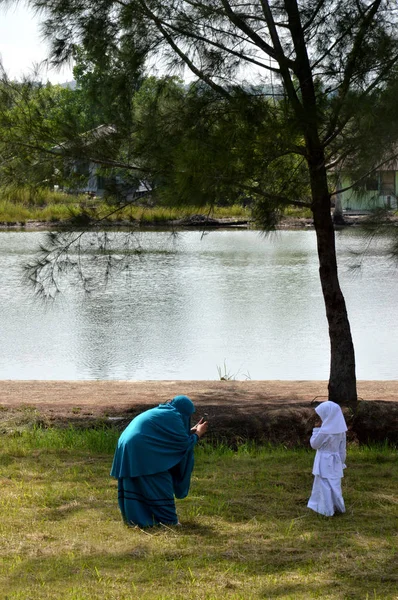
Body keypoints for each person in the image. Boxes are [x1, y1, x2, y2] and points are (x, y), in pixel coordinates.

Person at [110, 395, 208, 527]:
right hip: (141, 446)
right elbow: (183, 444)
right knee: (161, 480)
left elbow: (168, 435)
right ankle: (169, 520)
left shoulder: (164, 412)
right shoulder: (174, 417)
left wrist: (191, 431)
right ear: (185, 412)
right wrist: (197, 434)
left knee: (136, 480)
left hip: (127, 444)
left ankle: (136, 520)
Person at [307, 400, 347, 517]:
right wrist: (342, 462)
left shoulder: (324, 431)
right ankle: (338, 506)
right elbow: (342, 449)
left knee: (324, 483)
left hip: (324, 459)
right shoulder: (341, 431)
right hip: (336, 460)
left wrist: (316, 430)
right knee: (334, 483)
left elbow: (314, 444)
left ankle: (326, 508)